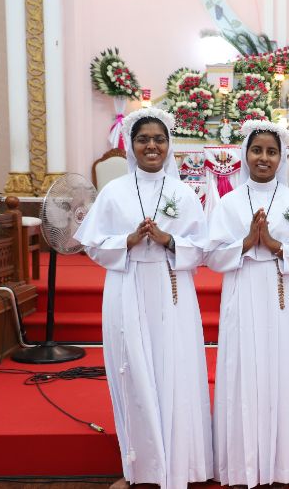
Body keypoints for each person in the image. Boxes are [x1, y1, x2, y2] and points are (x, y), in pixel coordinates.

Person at [74, 107, 213, 489]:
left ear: (169, 145)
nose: (151, 146)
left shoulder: (184, 193)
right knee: (133, 371)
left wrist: (169, 240)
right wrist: (128, 240)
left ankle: (181, 464)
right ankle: (140, 468)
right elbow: (92, 245)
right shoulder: (114, 192)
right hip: (127, 284)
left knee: (175, 369)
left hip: (171, 289)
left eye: (158, 139)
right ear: (130, 145)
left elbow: (202, 248)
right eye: (143, 139)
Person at [205, 120, 289, 487]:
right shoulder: (229, 202)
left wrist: (274, 246)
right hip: (243, 288)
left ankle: (285, 462)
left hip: (283, 291)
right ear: (245, 154)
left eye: (271, 151)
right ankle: (244, 463)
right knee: (243, 366)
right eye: (257, 150)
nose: (263, 158)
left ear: (281, 157)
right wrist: (245, 243)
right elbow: (212, 256)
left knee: (284, 365)